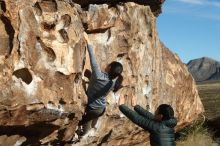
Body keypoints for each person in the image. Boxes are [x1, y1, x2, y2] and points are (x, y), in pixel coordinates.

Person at [77, 32, 123, 136]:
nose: (107, 65)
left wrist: (88, 40)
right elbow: (103, 90)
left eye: (109, 65)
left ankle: (80, 135)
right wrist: (90, 79)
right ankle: (88, 131)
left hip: (93, 109)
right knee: (90, 122)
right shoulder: (113, 82)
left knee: (83, 123)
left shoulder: (98, 75)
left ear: (110, 68)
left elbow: (92, 57)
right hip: (101, 109)